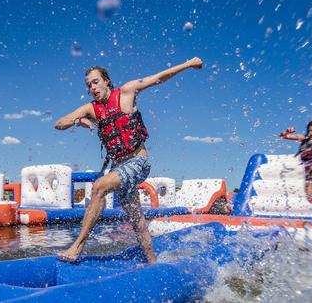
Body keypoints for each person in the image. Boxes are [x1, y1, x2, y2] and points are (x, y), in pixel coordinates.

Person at [54, 57, 204, 263]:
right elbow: (59, 123)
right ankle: (153, 262)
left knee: (99, 187)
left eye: (96, 82)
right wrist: (78, 120)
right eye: (89, 85)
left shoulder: (127, 91)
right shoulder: (91, 108)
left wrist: (188, 64)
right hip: (119, 166)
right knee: (138, 222)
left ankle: (77, 246)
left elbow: (159, 77)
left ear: (107, 81)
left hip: (138, 162)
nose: (92, 87)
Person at [280, 120, 312, 220]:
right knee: (309, 197)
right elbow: (284, 136)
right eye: (309, 131)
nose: (311, 133)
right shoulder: (304, 139)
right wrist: (287, 132)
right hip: (309, 170)